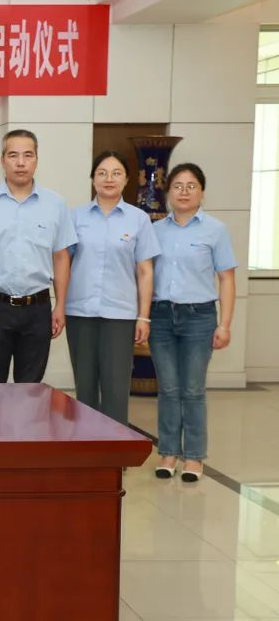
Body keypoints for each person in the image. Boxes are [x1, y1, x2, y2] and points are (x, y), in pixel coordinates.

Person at [0, 129, 76, 383]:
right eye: (13, 155)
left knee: (31, 387)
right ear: (3, 160)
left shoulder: (55, 204)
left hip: (38, 308)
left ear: (37, 159)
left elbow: (61, 258)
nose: (21, 162)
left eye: (28, 155)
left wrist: (60, 305)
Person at [150, 163, 236, 482]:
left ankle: (195, 456)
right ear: (168, 192)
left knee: (193, 389)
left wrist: (224, 324)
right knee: (168, 388)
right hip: (161, 316)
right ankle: (168, 452)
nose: (184, 192)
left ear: (202, 192)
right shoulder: (155, 230)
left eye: (191, 186)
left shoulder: (215, 230)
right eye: (177, 186)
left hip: (199, 318)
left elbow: (226, 279)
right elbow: (143, 275)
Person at [64, 151, 160, 427]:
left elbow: (145, 271)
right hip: (80, 312)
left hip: (120, 315)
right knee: (85, 387)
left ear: (127, 179)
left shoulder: (138, 219)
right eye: (102, 173)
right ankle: (86, 445)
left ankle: (114, 447)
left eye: (116, 173)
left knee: (116, 388)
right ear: (93, 179)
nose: (109, 178)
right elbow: (62, 264)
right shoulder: (75, 217)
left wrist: (144, 316)